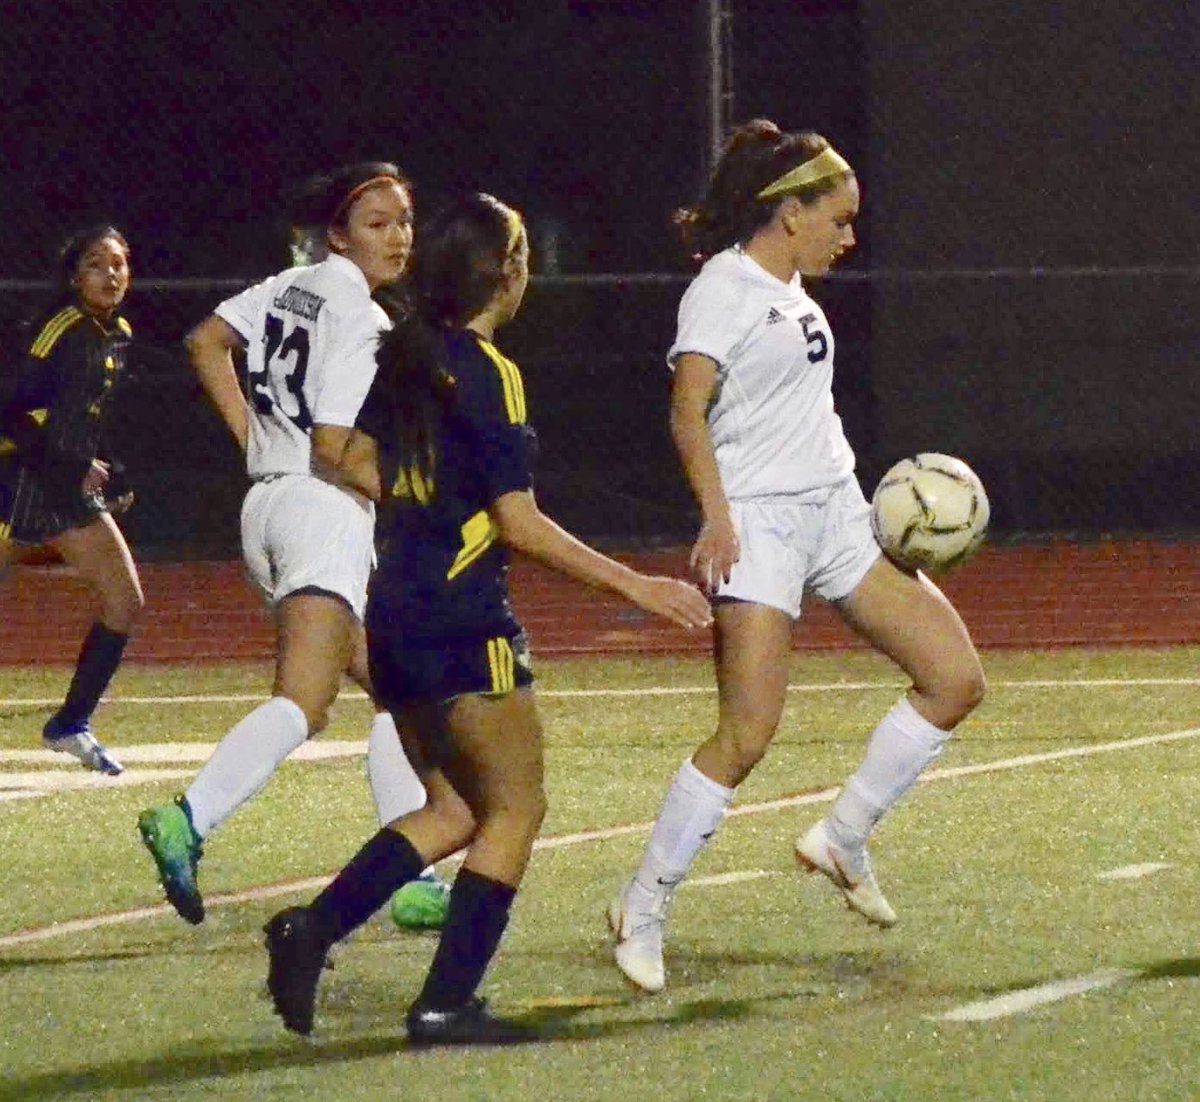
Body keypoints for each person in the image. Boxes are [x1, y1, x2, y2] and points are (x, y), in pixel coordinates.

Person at [261, 193, 712, 1046]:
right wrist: (639, 587)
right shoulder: (487, 370)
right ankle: (443, 1005)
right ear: (507, 274)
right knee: (515, 809)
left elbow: (347, 455)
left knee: (453, 807)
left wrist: (423, 503)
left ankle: (311, 932)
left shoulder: (406, 354)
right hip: (464, 620)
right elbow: (520, 523)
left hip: (392, 608)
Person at [607, 120, 987, 993]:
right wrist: (716, 517)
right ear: (789, 213)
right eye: (839, 219)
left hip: (836, 512)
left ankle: (843, 836)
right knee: (747, 734)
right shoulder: (723, 290)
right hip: (760, 525)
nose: (849, 237)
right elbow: (686, 412)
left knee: (954, 677)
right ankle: (644, 903)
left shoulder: (799, 300)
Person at [136, 163, 446, 929]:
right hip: (320, 513)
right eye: (378, 222)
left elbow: (206, 343)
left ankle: (409, 876)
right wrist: (420, 500)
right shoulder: (364, 321)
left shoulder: (285, 284)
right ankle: (189, 815)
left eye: (404, 220)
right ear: (338, 233)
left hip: (266, 508)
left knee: (399, 692)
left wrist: (254, 439)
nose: (398, 236)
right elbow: (337, 448)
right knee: (306, 702)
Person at [0, 225, 144, 776]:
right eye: (96, 264)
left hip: (66, 489)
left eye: (119, 264)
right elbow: (11, 410)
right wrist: (70, 464)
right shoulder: (60, 328)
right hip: (25, 482)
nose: (111, 275)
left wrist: (113, 470)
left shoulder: (116, 332)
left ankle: (70, 724)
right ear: (73, 275)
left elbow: (85, 421)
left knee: (124, 603)